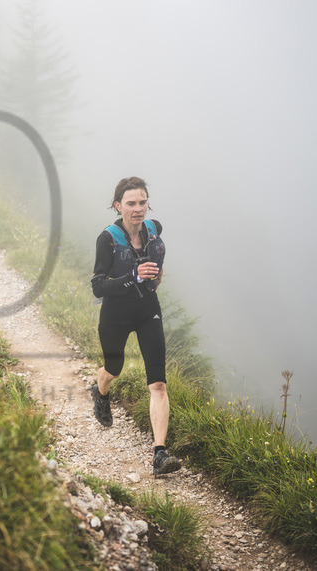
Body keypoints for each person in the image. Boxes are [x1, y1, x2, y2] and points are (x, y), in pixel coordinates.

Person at [90, 176, 181, 477]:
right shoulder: (107, 239)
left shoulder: (155, 229)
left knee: (158, 383)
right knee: (113, 370)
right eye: (131, 203)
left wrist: (154, 280)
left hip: (147, 311)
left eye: (142, 202)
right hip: (115, 315)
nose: (138, 208)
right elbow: (98, 286)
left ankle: (160, 454)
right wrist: (134, 275)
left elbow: (158, 264)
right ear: (118, 206)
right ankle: (100, 393)